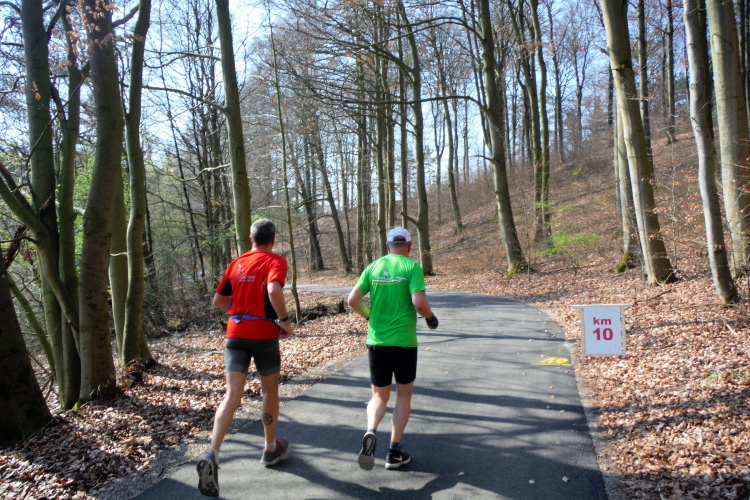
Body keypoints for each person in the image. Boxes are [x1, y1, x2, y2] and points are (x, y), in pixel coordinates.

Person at [196, 219, 294, 497]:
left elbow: (219, 300)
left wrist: (241, 311)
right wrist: (284, 321)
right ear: (272, 240)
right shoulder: (275, 261)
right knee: (269, 391)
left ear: (251, 239)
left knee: (232, 395)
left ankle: (213, 453)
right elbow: (273, 290)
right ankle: (270, 449)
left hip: (235, 333)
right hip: (262, 334)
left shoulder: (236, 263)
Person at [347, 227, 439, 471]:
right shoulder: (412, 268)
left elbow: (352, 300)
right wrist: (430, 318)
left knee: (379, 396)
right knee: (404, 395)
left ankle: (371, 430)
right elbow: (419, 302)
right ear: (409, 246)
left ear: (388, 245)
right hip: (404, 342)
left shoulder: (373, 267)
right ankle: (393, 452)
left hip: (377, 341)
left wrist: (370, 316)